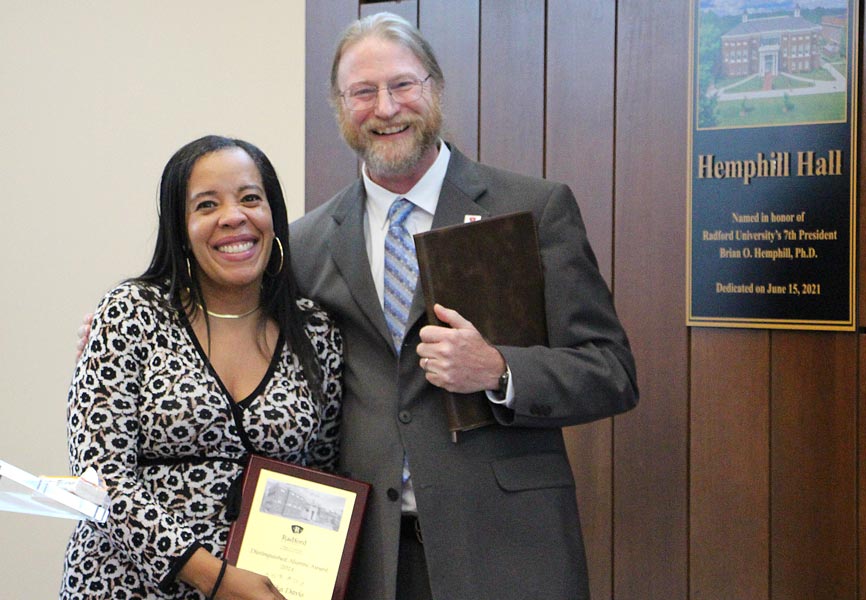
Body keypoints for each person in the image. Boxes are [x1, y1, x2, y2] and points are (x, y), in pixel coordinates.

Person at [289, 12, 639, 600]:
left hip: (507, 549)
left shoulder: (531, 209)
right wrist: (132, 328)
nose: (386, 108)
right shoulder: (307, 242)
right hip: (370, 559)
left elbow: (612, 372)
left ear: (435, 89)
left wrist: (500, 370)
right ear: (339, 107)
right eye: (363, 92)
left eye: (403, 84)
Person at [63, 135, 343, 599]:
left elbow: (323, 476)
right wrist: (215, 579)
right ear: (181, 226)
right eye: (207, 204)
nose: (234, 217)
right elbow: (99, 479)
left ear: (273, 214)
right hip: (124, 584)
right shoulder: (131, 312)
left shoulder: (315, 331)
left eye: (250, 198)